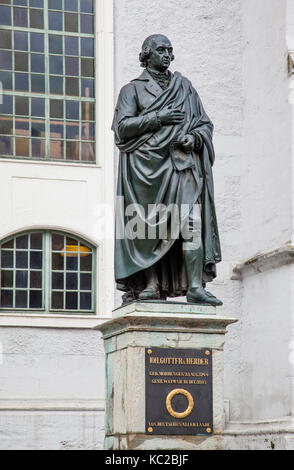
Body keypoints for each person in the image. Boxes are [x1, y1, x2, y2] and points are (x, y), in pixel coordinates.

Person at [112, 34, 222, 306]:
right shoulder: (132, 90)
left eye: (170, 50)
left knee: (191, 221)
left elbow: (204, 123)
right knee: (148, 227)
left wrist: (194, 139)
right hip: (146, 169)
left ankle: (195, 286)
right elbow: (122, 127)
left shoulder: (184, 87)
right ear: (146, 54)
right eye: (161, 50)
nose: (167, 55)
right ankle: (150, 284)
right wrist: (158, 118)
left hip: (181, 164)